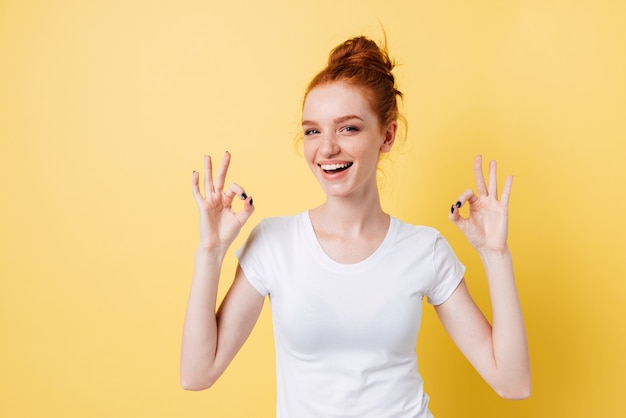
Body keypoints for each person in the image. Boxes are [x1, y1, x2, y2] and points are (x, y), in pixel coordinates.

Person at [180, 35, 531, 417]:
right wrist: (210, 252)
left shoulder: (424, 249)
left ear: (387, 135)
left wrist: (495, 255)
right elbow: (198, 374)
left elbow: (512, 382)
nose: (326, 148)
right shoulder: (274, 243)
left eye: (348, 128)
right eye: (313, 131)